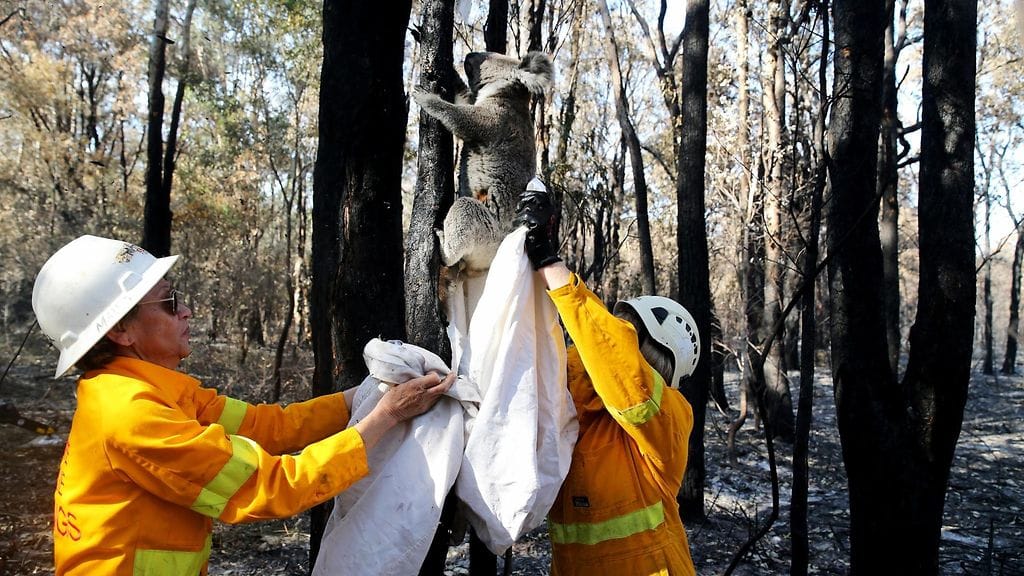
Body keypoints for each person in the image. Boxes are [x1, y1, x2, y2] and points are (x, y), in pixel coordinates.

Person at [31, 235, 454, 575]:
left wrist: (362, 396)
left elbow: (266, 426)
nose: (186, 311)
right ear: (121, 331)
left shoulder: (145, 390)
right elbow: (274, 487)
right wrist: (387, 415)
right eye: (169, 302)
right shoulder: (134, 415)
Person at [513, 189, 699, 575]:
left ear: (656, 354)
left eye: (628, 333)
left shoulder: (670, 416)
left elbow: (618, 367)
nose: (616, 336)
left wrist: (550, 263)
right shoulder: (579, 407)